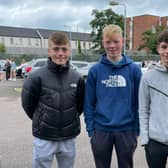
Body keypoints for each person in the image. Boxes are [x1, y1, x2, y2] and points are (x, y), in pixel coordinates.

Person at [21, 32, 85, 168]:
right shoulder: (35, 77)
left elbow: (80, 105)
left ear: (69, 51)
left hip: (69, 137)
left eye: (64, 49)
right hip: (44, 137)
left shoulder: (77, 78)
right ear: (49, 51)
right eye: (56, 49)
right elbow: (28, 104)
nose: (60, 53)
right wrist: (42, 119)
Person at [84, 24, 142, 168]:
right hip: (101, 130)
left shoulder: (134, 70)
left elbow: (139, 103)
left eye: (116, 41)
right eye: (108, 42)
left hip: (126, 130)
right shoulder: (95, 71)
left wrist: (137, 129)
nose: (112, 46)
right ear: (103, 43)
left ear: (122, 41)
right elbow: (89, 103)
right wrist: (91, 130)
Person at [139, 29, 168, 168]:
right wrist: (145, 139)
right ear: (158, 49)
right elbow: (143, 110)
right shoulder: (148, 78)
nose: (167, 51)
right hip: (155, 143)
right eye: (164, 47)